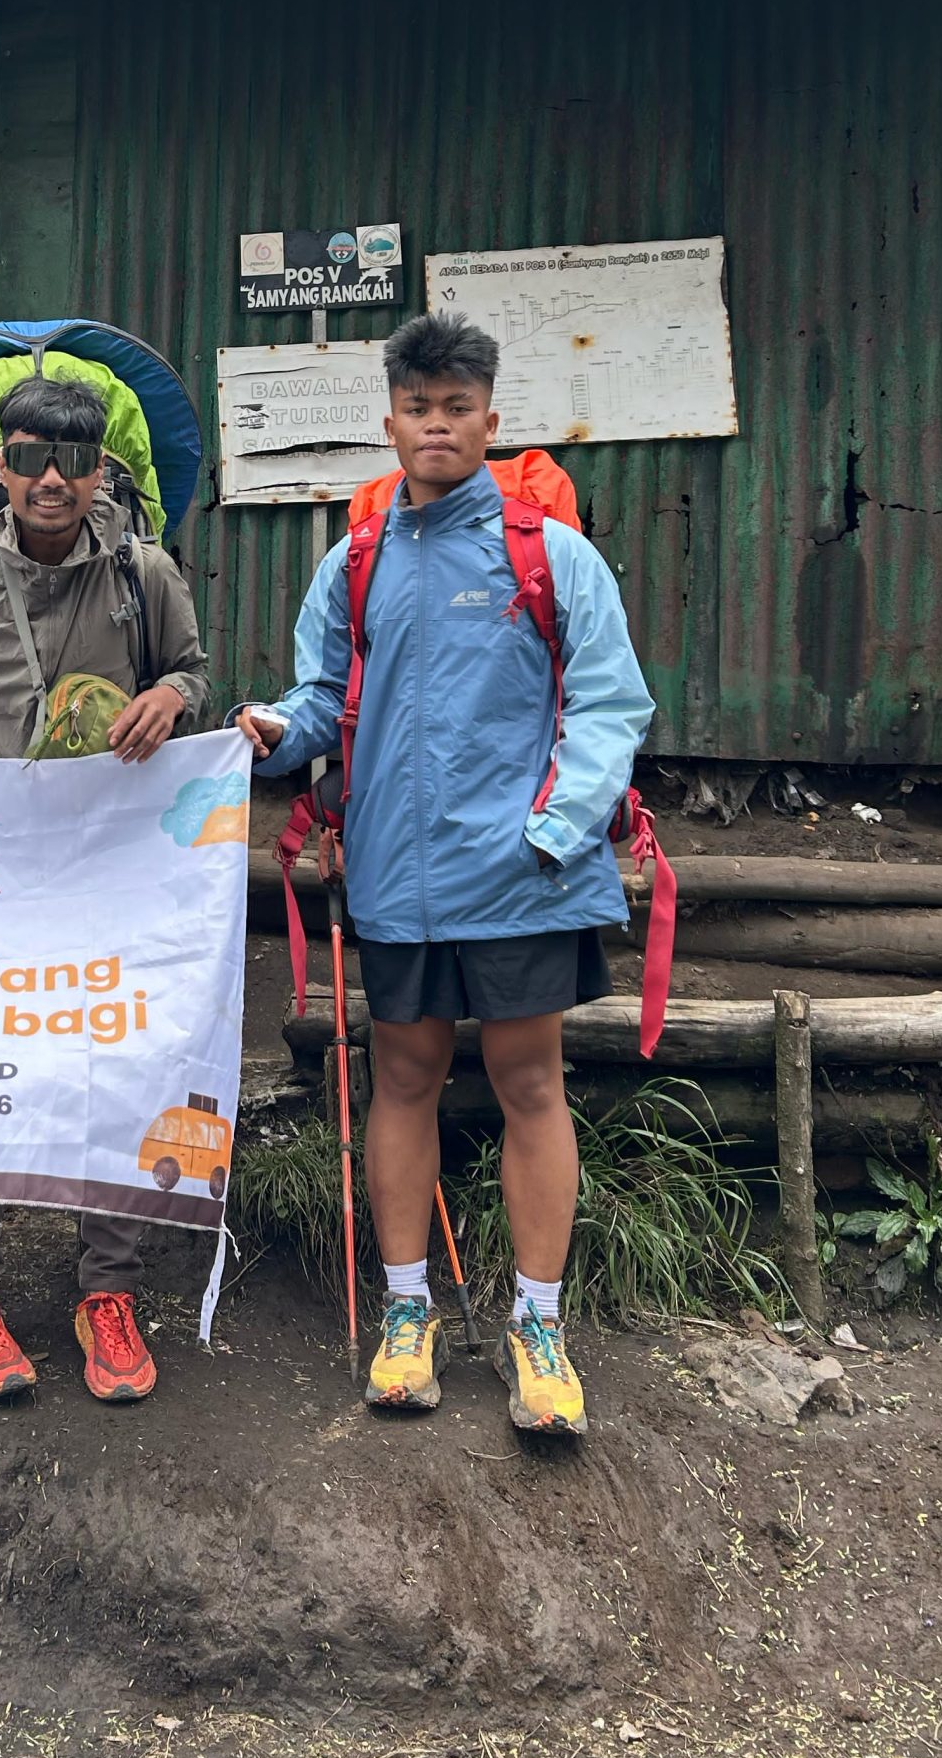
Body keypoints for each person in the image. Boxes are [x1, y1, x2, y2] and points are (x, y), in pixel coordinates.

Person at [239, 312, 653, 1435]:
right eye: (419, 407)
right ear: (391, 422)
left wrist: (555, 831)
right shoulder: (357, 558)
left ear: (490, 419)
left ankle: (539, 1324)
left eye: (457, 406)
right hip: (399, 875)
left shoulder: (551, 553)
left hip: (523, 872)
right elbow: (321, 697)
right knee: (405, 1079)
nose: (437, 423)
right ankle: (408, 1312)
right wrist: (272, 732)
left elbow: (612, 702)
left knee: (530, 1085)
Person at [0, 374, 210, 1406]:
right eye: (29, 457)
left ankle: (106, 1288)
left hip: (111, 872)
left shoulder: (143, 577)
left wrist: (170, 692)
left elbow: (196, 675)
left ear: (102, 469)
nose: (51, 479)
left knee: (108, 1066)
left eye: (72, 459)